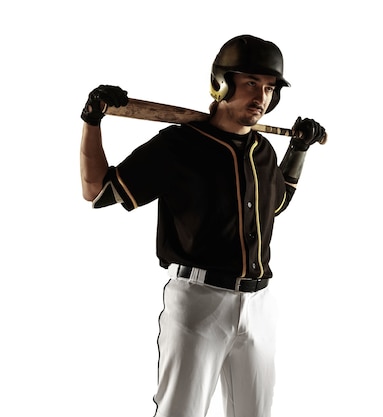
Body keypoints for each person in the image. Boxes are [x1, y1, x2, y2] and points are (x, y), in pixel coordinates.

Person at [79, 34, 326, 417]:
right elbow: (97, 191)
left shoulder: (263, 151)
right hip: (199, 301)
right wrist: (92, 121)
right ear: (221, 83)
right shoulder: (179, 145)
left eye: (268, 87)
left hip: (260, 304)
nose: (260, 96)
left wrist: (298, 150)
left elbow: (274, 205)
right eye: (249, 84)